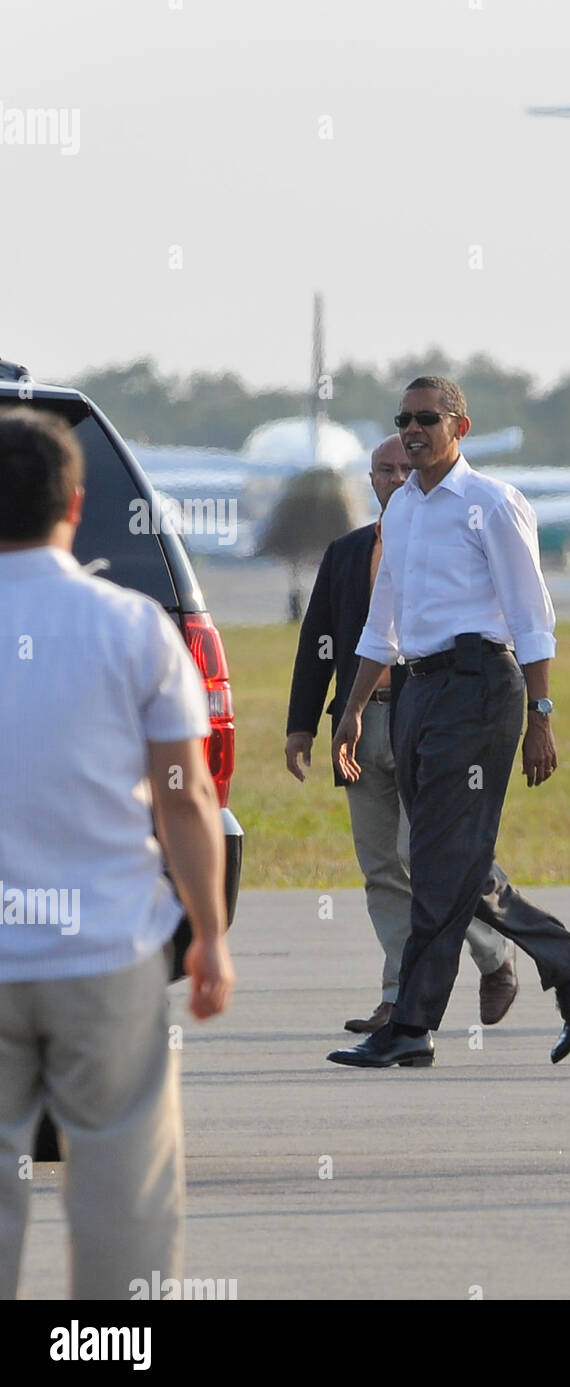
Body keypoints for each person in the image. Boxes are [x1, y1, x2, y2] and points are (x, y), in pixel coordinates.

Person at [0, 408, 233, 1298]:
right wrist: (208, 935)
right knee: (122, 1195)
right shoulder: (135, 627)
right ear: (78, 500)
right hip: (105, 953)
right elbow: (186, 802)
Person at [327, 376, 570, 1069]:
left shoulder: (492, 504)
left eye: (427, 418)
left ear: (461, 426)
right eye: (404, 419)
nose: (413, 429)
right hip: (419, 693)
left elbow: (532, 618)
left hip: (481, 688)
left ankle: (411, 1028)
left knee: (437, 862)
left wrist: (541, 716)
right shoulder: (401, 514)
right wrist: (355, 707)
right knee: (445, 861)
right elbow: (381, 623)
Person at [285, 434, 519, 1033]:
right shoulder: (345, 553)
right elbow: (319, 644)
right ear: (370, 481)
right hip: (361, 723)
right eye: (383, 470)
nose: (395, 476)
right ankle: (398, 995)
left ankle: (496, 956)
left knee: (431, 856)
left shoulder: (449, 540)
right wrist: (303, 726)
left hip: (429, 715)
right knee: (382, 866)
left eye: (402, 465)